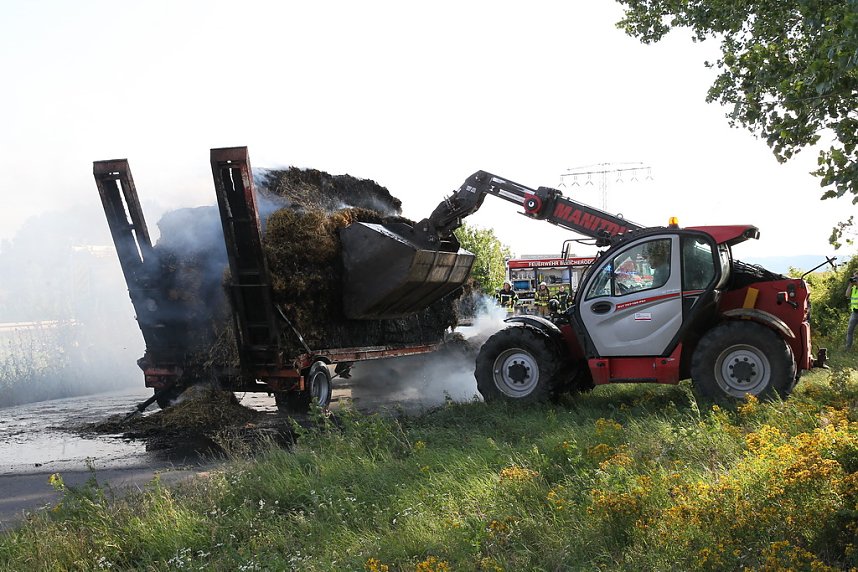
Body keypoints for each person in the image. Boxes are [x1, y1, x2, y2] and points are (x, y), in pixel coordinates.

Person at [845, 275, 858, 349]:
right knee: (849, 331)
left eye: (856, 278)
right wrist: (850, 285)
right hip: (855, 312)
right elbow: (847, 295)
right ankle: (847, 349)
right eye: (854, 278)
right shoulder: (854, 288)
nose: (854, 280)